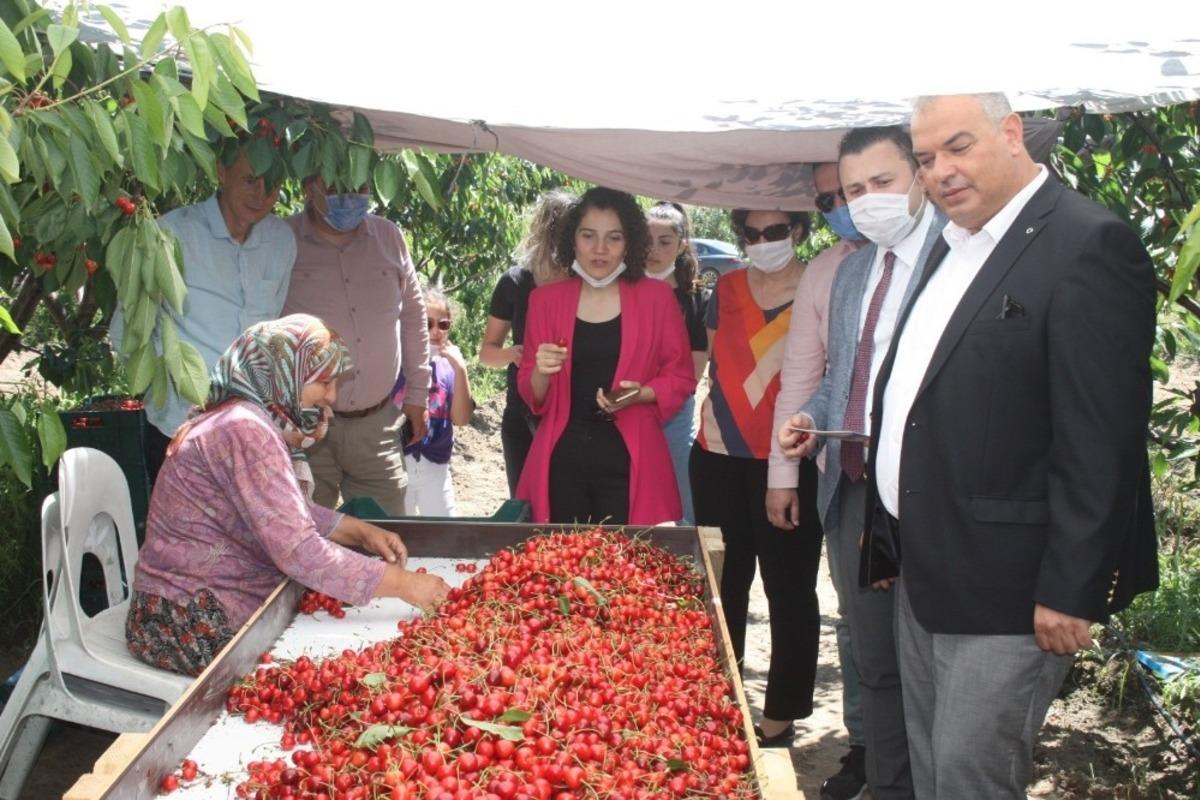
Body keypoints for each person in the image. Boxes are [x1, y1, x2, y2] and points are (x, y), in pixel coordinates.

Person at [867, 93, 1156, 799]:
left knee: (971, 778)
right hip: (927, 569)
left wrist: (1070, 589)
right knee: (935, 769)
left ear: (1012, 132)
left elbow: (1101, 440)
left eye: (958, 147)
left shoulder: (1087, 244)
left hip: (1012, 590)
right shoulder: (949, 241)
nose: (941, 172)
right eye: (927, 159)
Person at [125, 315, 449, 676]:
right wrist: (407, 585)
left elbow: (282, 513)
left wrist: (359, 531)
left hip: (189, 603)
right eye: (323, 383)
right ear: (282, 374)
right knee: (336, 674)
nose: (332, 396)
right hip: (184, 618)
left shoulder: (243, 417)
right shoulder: (244, 429)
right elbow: (299, 551)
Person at [779, 128, 945, 800]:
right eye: (853, 191)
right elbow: (840, 378)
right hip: (851, 490)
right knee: (873, 660)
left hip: (929, 496)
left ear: (919, 176)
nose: (867, 201)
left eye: (882, 183)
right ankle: (888, 784)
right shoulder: (849, 272)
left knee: (934, 665)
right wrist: (810, 422)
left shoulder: (955, 259)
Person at [690, 207, 823, 748]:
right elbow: (701, 363)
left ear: (797, 231)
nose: (763, 241)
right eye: (751, 233)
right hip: (717, 457)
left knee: (790, 589)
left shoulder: (821, 285)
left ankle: (780, 717)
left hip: (790, 466)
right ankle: (721, 696)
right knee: (723, 587)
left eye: (775, 231)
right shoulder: (723, 288)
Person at [766, 160, 869, 800]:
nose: (846, 204)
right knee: (857, 620)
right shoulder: (830, 271)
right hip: (848, 480)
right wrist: (784, 473)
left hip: (933, 485)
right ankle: (868, 748)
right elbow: (805, 376)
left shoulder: (947, 247)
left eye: (859, 190)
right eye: (831, 196)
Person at [111, 142, 296, 483]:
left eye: (272, 185)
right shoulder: (171, 233)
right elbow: (127, 330)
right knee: (186, 535)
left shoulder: (282, 240)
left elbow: (271, 332)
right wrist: (169, 400)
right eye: (250, 180)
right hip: (180, 429)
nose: (261, 194)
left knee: (250, 535)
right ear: (221, 172)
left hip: (252, 430)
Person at [516, 187, 695, 525]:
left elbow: (681, 377)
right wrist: (541, 370)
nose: (600, 249)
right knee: (564, 566)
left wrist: (639, 393)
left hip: (631, 458)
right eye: (588, 236)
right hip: (561, 458)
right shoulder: (545, 301)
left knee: (624, 567)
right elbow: (533, 395)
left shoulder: (657, 298)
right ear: (573, 240)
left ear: (630, 243)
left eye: (613, 238)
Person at [282, 176, 431, 515]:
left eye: (359, 187)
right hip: (304, 427)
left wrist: (418, 395)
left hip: (375, 424)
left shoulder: (389, 237)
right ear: (308, 185)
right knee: (299, 537)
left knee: (387, 535)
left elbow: (412, 316)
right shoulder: (281, 240)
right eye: (333, 187)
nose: (348, 198)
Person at [479, 191, 574, 495]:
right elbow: (486, 354)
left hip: (574, 417)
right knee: (524, 507)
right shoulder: (516, 282)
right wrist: (512, 353)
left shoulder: (591, 282)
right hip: (524, 415)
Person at [645, 202, 710, 525]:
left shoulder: (697, 299)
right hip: (623, 408)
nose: (653, 250)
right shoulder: (619, 288)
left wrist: (661, 400)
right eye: (647, 240)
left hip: (675, 412)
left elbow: (694, 369)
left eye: (665, 242)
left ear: (682, 245)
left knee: (685, 505)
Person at [392, 286, 474, 516]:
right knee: (401, 537)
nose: (435, 331)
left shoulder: (450, 367)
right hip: (400, 465)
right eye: (427, 323)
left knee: (445, 537)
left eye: (443, 324)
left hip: (436, 467)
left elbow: (461, 418)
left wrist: (461, 369)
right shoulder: (396, 362)